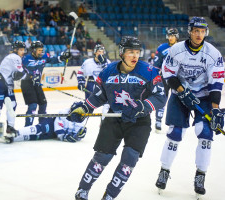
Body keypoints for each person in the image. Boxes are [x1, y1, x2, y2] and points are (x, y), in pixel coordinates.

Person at [69, 36, 167, 200]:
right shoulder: (108, 72)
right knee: (102, 157)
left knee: (129, 159)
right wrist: (84, 108)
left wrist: (143, 106)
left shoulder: (149, 71)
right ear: (122, 52)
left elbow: (160, 97)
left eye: (137, 52)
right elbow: (99, 96)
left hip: (139, 121)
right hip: (114, 118)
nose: (135, 56)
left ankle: (109, 196)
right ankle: (83, 190)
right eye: (130, 52)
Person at [155, 17, 224, 198]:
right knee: (175, 133)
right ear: (190, 31)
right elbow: (168, 73)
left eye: (202, 31)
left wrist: (215, 110)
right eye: (196, 31)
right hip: (180, 94)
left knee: (206, 134)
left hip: (204, 96)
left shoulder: (213, 54)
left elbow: (216, 83)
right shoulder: (176, 50)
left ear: (205, 33)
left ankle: (200, 175)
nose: (199, 35)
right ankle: (164, 170)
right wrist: (181, 90)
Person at [21, 40, 72, 127]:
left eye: (42, 50)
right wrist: (29, 76)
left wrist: (63, 57)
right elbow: (19, 72)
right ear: (33, 50)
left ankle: (42, 124)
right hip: (27, 84)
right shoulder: (25, 59)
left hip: (37, 84)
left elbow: (54, 59)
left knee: (43, 104)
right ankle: (28, 127)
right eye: (39, 50)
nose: (41, 52)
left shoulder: (44, 56)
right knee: (33, 105)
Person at [0, 41, 27, 136]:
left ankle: (10, 127)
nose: (23, 52)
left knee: (12, 104)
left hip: (5, 84)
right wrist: (30, 76)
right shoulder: (15, 57)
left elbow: (16, 74)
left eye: (23, 50)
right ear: (15, 50)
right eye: (21, 50)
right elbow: (21, 73)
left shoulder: (13, 57)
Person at [4, 108, 87, 143]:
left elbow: (76, 135)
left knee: (36, 137)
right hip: (51, 123)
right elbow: (59, 131)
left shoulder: (81, 119)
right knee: (39, 129)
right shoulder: (64, 112)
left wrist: (79, 136)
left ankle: (13, 138)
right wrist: (65, 137)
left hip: (54, 134)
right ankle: (17, 132)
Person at [153, 28, 179, 132]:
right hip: (164, 78)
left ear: (176, 36)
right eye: (169, 36)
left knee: (176, 100)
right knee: (162, 99)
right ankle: (158, 120)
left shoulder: (183, 47)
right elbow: (156, 64)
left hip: (178, 78)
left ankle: (175, 122)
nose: (170, 38)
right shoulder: (162, 48)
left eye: (172, 36)